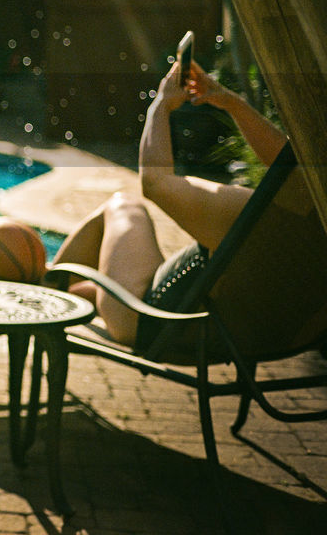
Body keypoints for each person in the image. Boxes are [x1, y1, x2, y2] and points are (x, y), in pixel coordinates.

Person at [50, 58, 288, 346]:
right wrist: (230, 102)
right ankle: (57, 290)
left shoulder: (249, 214)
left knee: (124, 206)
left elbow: (155, 183)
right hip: (262, 335)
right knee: (88, 290)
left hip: (147, 320)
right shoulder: (309, 223)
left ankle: (40, 295)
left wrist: (161, 103)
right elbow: (290, 166)